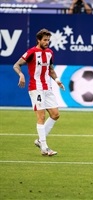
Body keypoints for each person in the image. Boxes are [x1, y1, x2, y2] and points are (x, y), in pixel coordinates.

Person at [13, 28, 65, 156]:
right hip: (36, 88)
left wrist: (57, 80)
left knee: (55, 114)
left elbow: (51, 69)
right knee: (41, 117)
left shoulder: (49, 53)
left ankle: (39, 141)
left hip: (48, 88)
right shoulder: (31, 52)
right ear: (38, 40)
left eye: (48, 40)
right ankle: (44, 147)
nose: (47, 42)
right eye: (45, 40)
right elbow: (16, 65)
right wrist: (21, 75)